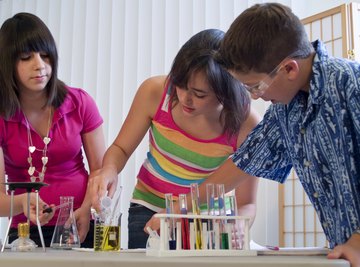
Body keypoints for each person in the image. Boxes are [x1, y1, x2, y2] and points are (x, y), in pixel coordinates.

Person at [215, 2, 360, 266]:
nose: (256, 96)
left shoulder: (351, 83)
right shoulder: (285, 109)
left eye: (256, 86)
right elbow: (244, 163)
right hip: (344, 253)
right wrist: (181, 209)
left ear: (289, 69)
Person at [89, 29, 260, 248]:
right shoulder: (155, 92)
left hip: (208, 220)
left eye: (199, 94)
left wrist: (238, 226)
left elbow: (247, 203)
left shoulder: (246, 124)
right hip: (150, 209)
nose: (185, 98)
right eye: (179, 84)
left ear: (225, 92)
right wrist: (109, 170)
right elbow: (120, 149)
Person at [0, 13, 106, 247]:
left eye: (45, 56)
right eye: (26, 57)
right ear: (7, 63)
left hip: (79, 223)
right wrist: (23, 203)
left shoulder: (80, 102)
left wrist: (86, 210)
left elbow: (101, 173)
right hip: (25, 233)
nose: (39, 65)